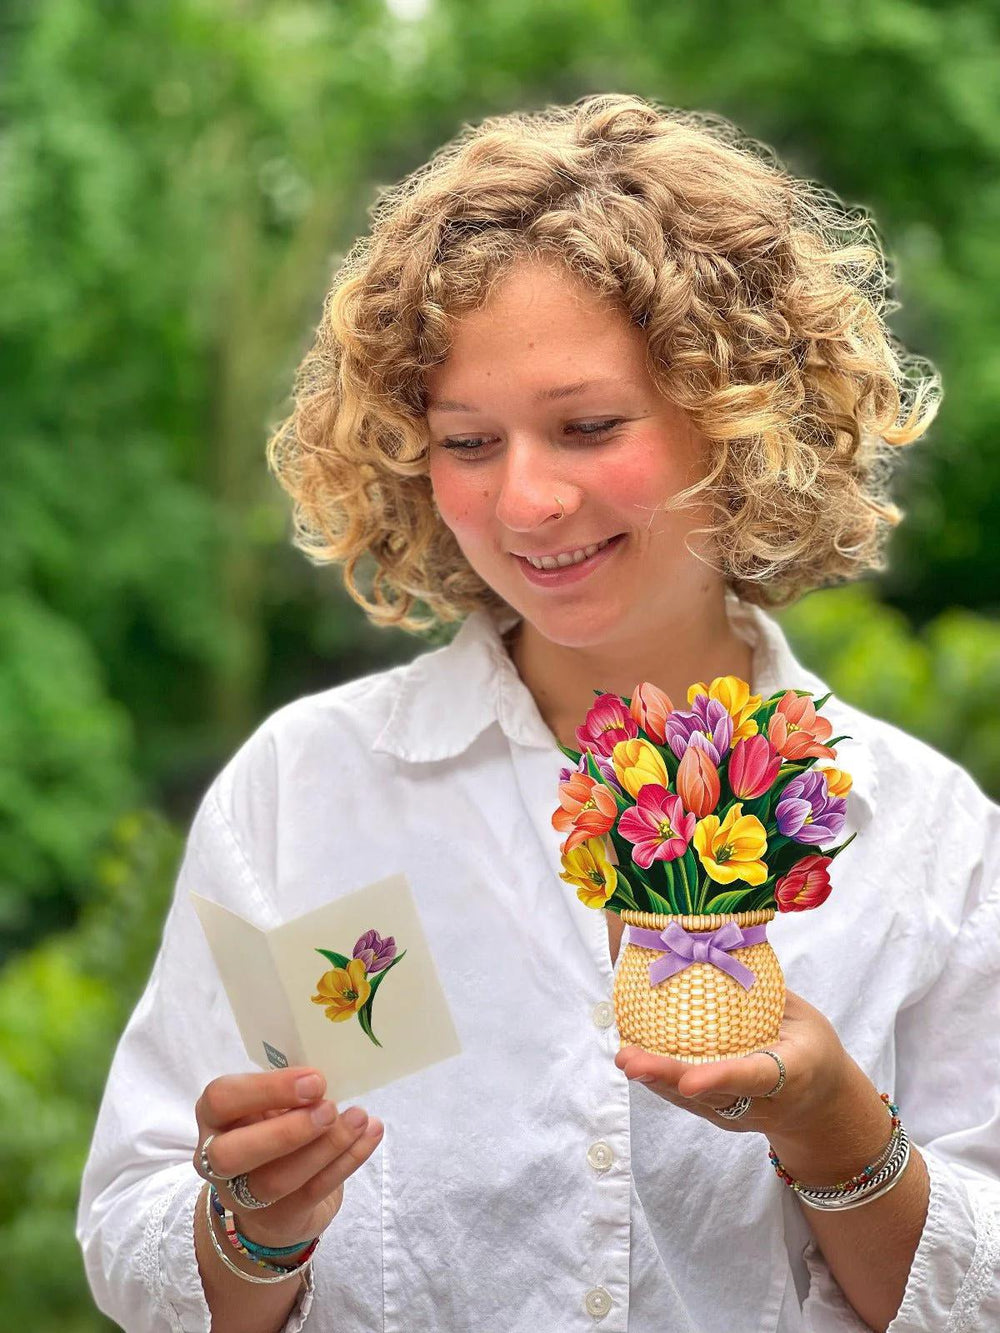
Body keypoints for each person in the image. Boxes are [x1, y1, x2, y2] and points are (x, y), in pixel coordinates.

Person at [77, 93, 1000, 1333]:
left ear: (736, 415)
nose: (526, 500)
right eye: (466, 441)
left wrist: (838, 1133)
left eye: (587, 426)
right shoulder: (308, 790)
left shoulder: (924, 834)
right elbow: (136, 1241)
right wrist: (250, 1224)